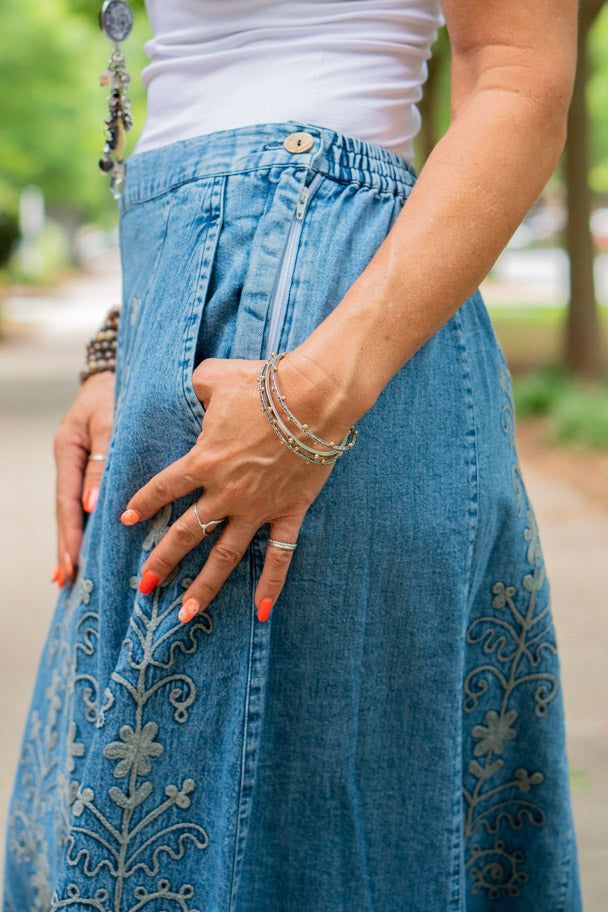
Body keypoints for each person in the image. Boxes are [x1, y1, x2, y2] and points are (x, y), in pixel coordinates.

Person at [3, 1, 583, 910]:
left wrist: (309, 395)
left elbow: (519, 78)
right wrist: (123, 344)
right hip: (209, 313)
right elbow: (203, 86)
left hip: (329, 328)